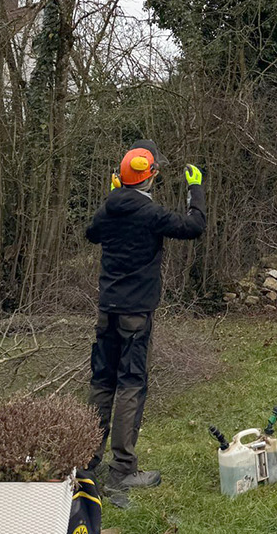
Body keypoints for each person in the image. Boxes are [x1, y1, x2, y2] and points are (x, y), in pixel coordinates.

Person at [85, 141, 206, 498]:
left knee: (101, 383)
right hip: (136, 314)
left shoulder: (108, 210)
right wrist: (195, 189)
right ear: (150, 176)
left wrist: (113, 195)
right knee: (131, 384)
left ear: (120, 177)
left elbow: (92, 233)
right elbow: (194, 226)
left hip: (107, 311)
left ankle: (86, 462)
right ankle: (122, 470)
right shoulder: (150, 213)